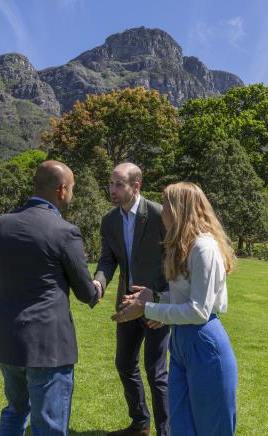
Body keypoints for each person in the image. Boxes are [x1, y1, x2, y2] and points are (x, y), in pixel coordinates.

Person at [0, 160, 101, 436]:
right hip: (48, 345)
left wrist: (9, 314)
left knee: (15, 410)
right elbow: (85, 292)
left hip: (7, 339)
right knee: (50, 423)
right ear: (61, 190)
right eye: (72, 189)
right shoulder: (64, 232)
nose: (72, 194)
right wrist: (97, 287)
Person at [113, 182, 238, 436]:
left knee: (210, 427)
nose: (163, 212)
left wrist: (147, 309)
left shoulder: (204, 248)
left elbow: (198, 311)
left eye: (167, 204)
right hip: (181, 340)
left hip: (203, 341)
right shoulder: (185, 246)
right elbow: (182, 297)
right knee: (180, 425)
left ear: (180, 209)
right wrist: (156, 297)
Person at [94, 163, 170, 436]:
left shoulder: (160, 215)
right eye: (110, 183)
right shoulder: (109, 221)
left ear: (135, 186)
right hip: (127, 306)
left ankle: (165, 431)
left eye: (118, 184)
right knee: (124, 364)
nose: (112, 190)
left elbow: (175, 260)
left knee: (156, 372)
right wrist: (98, 282)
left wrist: (165, 304)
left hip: (155, 307)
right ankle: (140, 424)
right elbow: (107, 260)